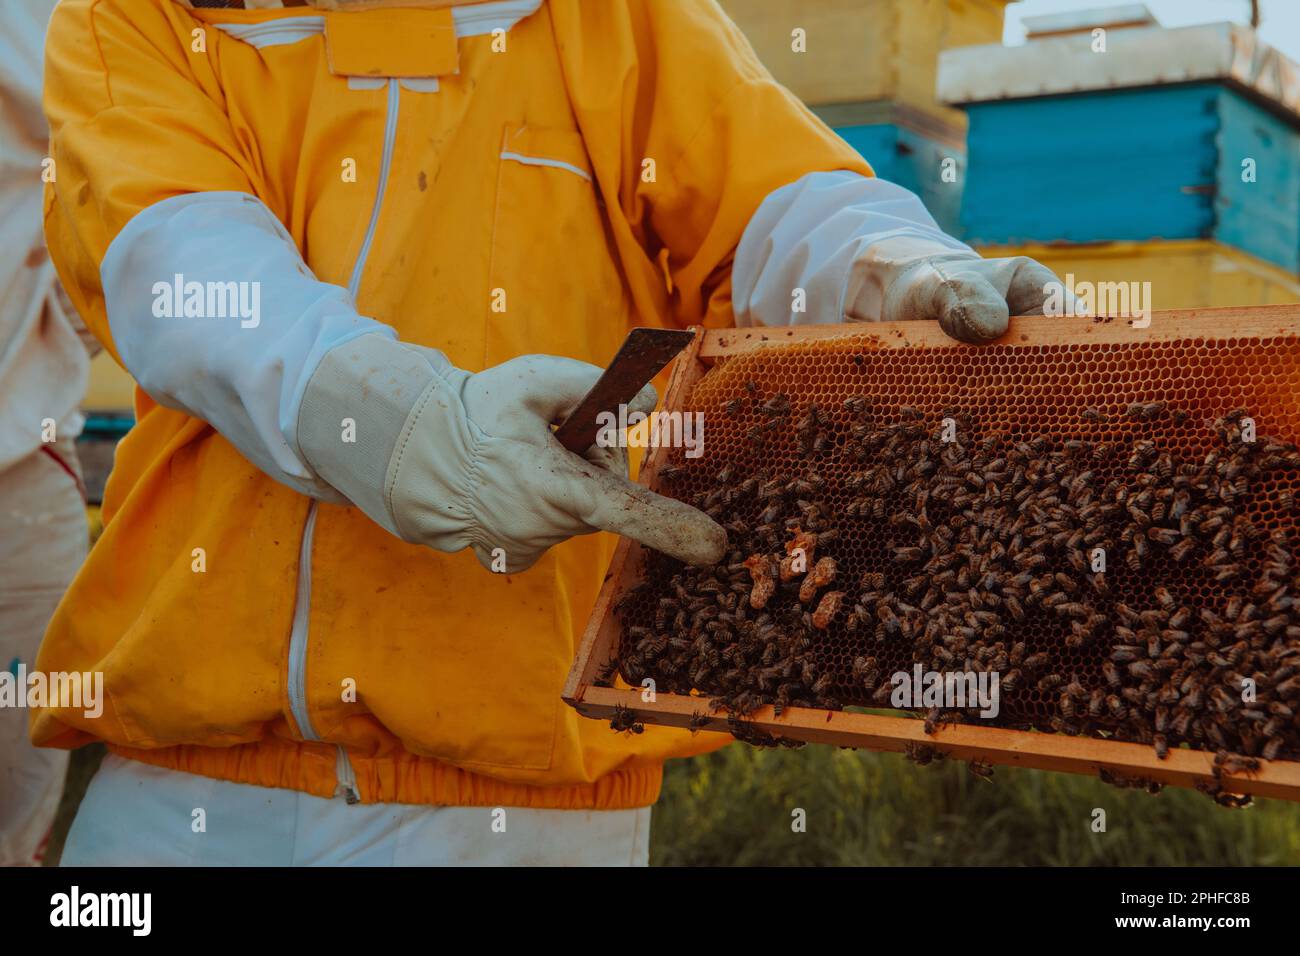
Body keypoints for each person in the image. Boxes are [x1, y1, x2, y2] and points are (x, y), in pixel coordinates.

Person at [39, 0, 1066, 866]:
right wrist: (413, 430)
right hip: (182, 800)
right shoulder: (139, 17)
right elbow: (181, 269)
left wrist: (886, 267)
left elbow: (776, 204)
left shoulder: (612, 17)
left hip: (525, 812)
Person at [0, 0, 93, 867]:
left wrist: (64, 339)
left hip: (19, 475)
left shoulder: (57, 18)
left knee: (19, 802)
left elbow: (103, 171)